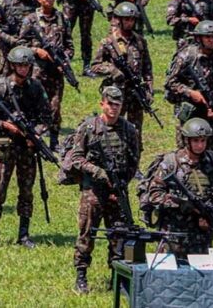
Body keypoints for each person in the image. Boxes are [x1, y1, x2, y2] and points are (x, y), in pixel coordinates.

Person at [65, 86, 141, 294]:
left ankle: (117, 276)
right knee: (87, 232)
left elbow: (134, 160)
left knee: (118, 235)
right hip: (93, 191)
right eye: (110, 104)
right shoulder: (89, 128)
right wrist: (98, 172)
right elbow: (76, 159)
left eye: (118, 105)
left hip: (118, 191)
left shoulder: (128, 130)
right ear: (102, 104)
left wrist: (121, 183)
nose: (114, 109)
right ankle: (81, 276)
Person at [0, 46, 49, 249]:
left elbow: (46, 117)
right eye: (20, 65)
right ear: (12, 65)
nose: (24, 69)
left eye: (27, 65)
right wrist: (6, 125)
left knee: (26, 191)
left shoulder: (36, 88)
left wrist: (35, 133)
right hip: (6, 147)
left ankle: (24, 234)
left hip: (27, 148)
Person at [141, 118, 213, 258]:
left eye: (203, 141)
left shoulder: (212, 162)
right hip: (174, 236)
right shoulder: (171, 162)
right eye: (196, 141)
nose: (200, 145)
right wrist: (183, 205)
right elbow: (155, 194)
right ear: (187, 140)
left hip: (202, 237)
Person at [20, 0, 74, 142]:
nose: (50, 0)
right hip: (36, 71)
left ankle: (54, 139)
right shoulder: (30, 20)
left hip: (56, 71)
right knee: (33, 103)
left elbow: (69, 46)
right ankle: (32, 135)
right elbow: (20, 44)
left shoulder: (62, 19)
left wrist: (64, 59)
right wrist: (36, 51)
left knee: (55, 106)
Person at [165, 21, 213, 150]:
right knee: (186, 147)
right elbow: (170, 82)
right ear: (199, 38)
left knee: (211, 148)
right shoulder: (186, 56)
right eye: (207, 37)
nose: (211, 40)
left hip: (211, 106)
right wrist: (190, 93)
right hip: (189, 107)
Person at [90, 2, 154, 133]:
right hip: (116, 92)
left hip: (136, 93)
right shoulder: (108, 42)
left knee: (135, 132)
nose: (130, 22)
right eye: (126, 19)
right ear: (119, 20)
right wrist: (112, 70)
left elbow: (147, 69)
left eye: (132, 19)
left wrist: (149, 90)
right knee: (113, 129)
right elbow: (95, 66)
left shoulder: (140, 41)